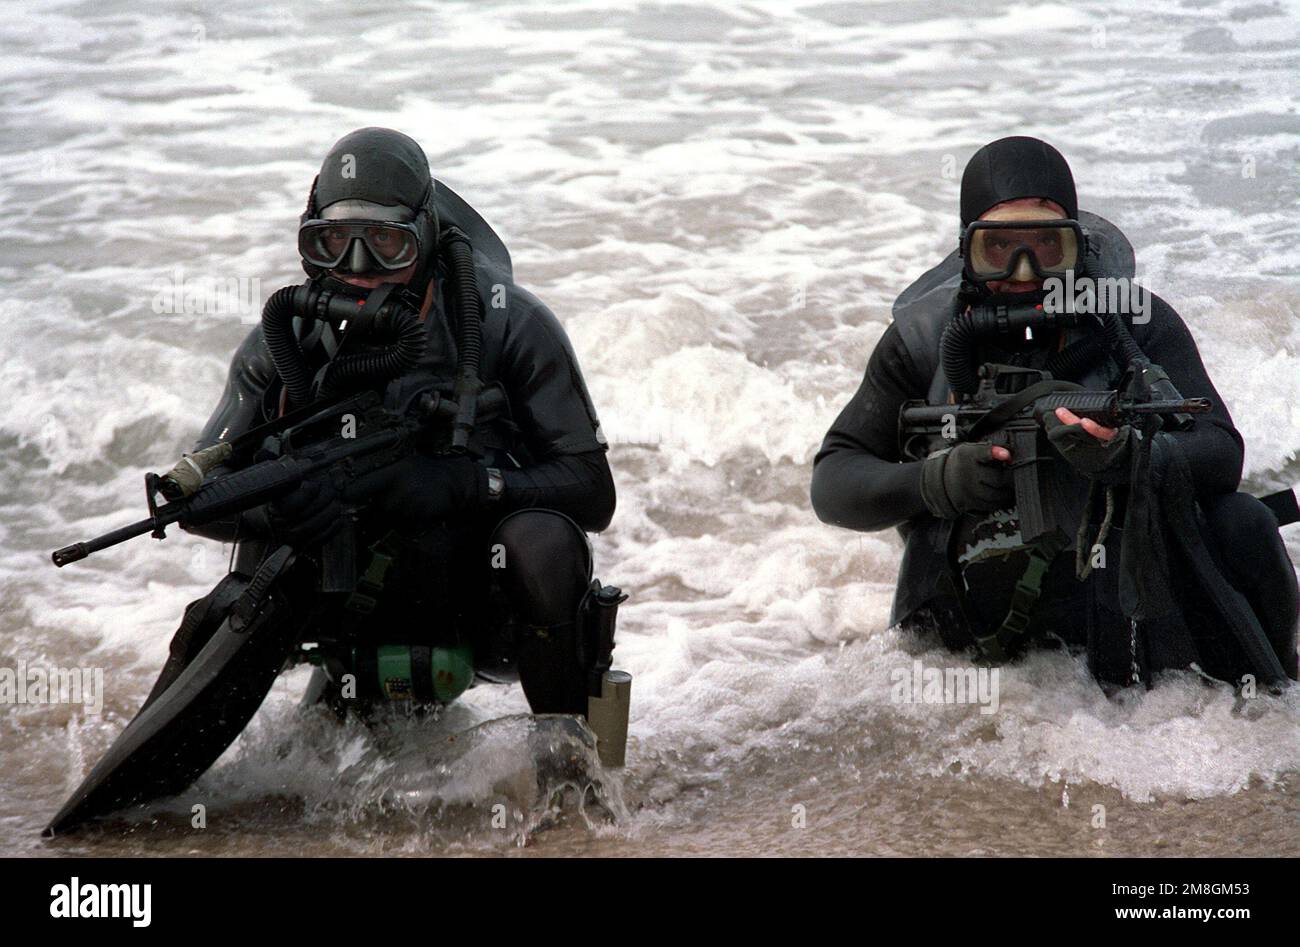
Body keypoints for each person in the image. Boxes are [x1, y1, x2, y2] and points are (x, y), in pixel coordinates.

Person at [810, 136, 1297, 688]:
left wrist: (1134, 457)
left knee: (1245, 522)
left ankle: (1278, 705)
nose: (1024, 272)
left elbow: (1220, 451)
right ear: (966, 249)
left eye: (1047, 246)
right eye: (1000, 249)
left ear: (1079, 247)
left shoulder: (1133, 323)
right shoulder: (922, 341)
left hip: (1122, 593)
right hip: (975, 609)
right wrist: (937, 481)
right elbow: (833, 481)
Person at [166, 126, 618, 717]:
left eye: (385, 241)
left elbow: (592, 492)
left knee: (541, 543)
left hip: (476, 605)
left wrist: (467, 486)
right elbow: (201, 500)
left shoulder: (510, 323)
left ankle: (569, 776)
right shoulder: (283, 341)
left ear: (425, 237)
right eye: (333, 242)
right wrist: (275, 509)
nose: (359, 267)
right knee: (255, 555)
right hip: (341, 603)